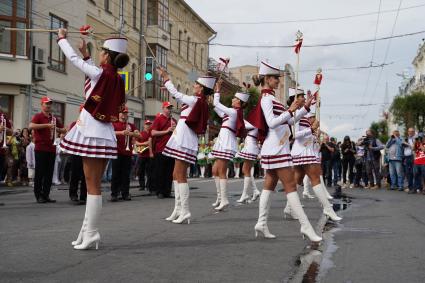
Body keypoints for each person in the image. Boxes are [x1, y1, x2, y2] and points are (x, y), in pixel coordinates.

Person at [57, 29, 129, 250]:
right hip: (103, 131)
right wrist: (86, 53)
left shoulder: (101, 74)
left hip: (92, 130)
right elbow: (91, 72)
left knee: (93, 185)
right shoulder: (115, 78)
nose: (99, 55)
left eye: (101, 53)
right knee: (93, 185)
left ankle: (92, 233)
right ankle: (86, 232)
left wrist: (61, 38)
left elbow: (73, 60)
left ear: (106, 56)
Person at [248, 61, 322, 242]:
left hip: (276, 147)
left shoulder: (272, 98)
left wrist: (304, 108)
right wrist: (290, 109)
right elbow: (272, 122)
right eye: (275, 78)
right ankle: (305, 226)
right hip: (276, 148)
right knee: (290, 187)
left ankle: (262, 223)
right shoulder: (266, 99)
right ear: (267, 79)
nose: (278, 81)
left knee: (269, 185)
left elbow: (288, 121)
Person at [158, 67, 215, 224]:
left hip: (184, 138)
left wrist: (166, 77)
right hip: (182, 136)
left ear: (201, 88)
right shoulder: (197, 100)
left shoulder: (196, 100)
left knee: (181, 175)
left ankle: (185, 210)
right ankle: (178, 209)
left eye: (197, 84)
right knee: (176, 175)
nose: (195, 85)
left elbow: (176, 94)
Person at [286, 92, 341, 222]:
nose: (304, 99)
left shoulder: (302, 113)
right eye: (302, 97)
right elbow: (295, 135)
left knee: (297, 181)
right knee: (315, 178)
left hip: (306, 150)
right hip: (302, 151)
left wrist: (313, 131)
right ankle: (328, 209)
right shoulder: (295, 114)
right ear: (296, 99)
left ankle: (289, 207)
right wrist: (311, 129)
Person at [212, 83, 249, 211]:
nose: (232, 99)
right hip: (222, 142)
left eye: (235, 98)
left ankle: (224, 199)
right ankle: (219, 197)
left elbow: (217, 104)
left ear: (239, 102)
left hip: (226, 143)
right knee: (215, 170)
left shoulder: (234, 112)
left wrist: (217, 91)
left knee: (221, 171)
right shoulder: (231, 113)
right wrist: (211, 98)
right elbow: (217, 108)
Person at [29, 96, 65, 203]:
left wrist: (56, 128)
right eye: (46, 103)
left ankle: (46, 195)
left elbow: (64, 130)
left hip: (51, 149)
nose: (48, 105)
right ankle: (38, 195)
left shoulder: (54, 118)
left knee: (49, 174)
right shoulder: (38, 116)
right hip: (41, 148)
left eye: (49, 104)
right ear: (42, 105)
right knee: (40, 173)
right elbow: (31, 126)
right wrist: (47, 125)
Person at [110, 107, 139, 201]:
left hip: (127, 153)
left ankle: (125, 193)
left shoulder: (131, 125)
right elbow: (110, 132)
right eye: (122, 113)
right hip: (116, 152)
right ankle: (114, 194)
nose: (124, 115)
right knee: (115, 174)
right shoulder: (114, 124)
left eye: (125, 113)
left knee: (126, 175)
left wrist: (133, 134)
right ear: (118, 114)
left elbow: (139, 135)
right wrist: (121, 132)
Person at [151, 102, 177, 198]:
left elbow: (177, 134)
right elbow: (153, 133)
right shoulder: (158, 119)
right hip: (160, 149)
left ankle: (167, 191)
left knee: (169, 172)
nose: (170, 109)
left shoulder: (173, 120)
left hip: (171, 149)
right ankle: (160, 191)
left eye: (170, 108)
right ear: (163, 108)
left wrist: (175, 130)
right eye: (168, 108)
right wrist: (166, 131)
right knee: (160, 171)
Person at [236, 118, 261, 203]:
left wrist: (238, 118)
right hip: (249, 146)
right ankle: (255, 190)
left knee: (246, 170)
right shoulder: (255, 123)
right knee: (245, 170)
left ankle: (245, 194)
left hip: (250, 147)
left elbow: (244, 125)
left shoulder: (256, 123)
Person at [135, 119, 153, 191]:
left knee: (149, 171)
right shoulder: (141, 133)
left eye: (149, 124)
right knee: (141, 171)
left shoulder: (151, 133)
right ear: (144, 125)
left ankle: (148, 185)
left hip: (149, 155)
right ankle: (141, 185)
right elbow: (136, 143)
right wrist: (144, 143)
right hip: (142, 155)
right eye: (147, 124)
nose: (148, 126)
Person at [404, 128, 416, 193]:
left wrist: (407, 144)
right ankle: (410, 187)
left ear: (414, 132)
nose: (410, 132)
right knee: (408, 173)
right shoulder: (406, 138)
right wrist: (403, 144)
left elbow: (414, 148)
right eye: (409, 131)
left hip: (412, 157)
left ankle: (415, 187)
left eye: (412, 131)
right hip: (406, 157)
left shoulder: (415, 139)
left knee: (414, 172)